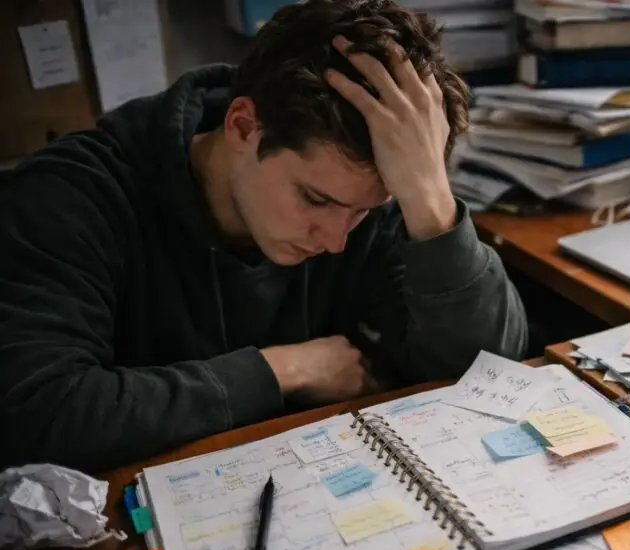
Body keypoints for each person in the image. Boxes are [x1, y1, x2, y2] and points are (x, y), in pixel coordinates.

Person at [0, 0, 528, 471]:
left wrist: (430, 200)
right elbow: (35, 414)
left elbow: (488, 375)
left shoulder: (365, 198)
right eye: (315, 200)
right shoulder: (66, 199)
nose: (336, 239)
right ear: (243, 128)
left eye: (367, 211)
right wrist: (282, 370)